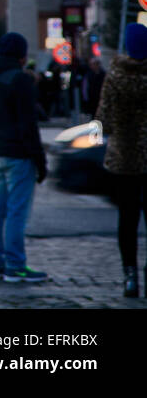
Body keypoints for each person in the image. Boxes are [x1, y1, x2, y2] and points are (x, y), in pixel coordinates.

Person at [0, 32, 48, 282]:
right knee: (17, 212)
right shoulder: (20, 80)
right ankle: (16, 265)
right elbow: (29, 125)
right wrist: (39, 160)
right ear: (22, 55)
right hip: (19, 154)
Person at [94, 23, 147, 297]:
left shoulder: (115, 76)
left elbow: (103, 121)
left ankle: (130, 276)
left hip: (125, 158)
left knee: (127, 219)